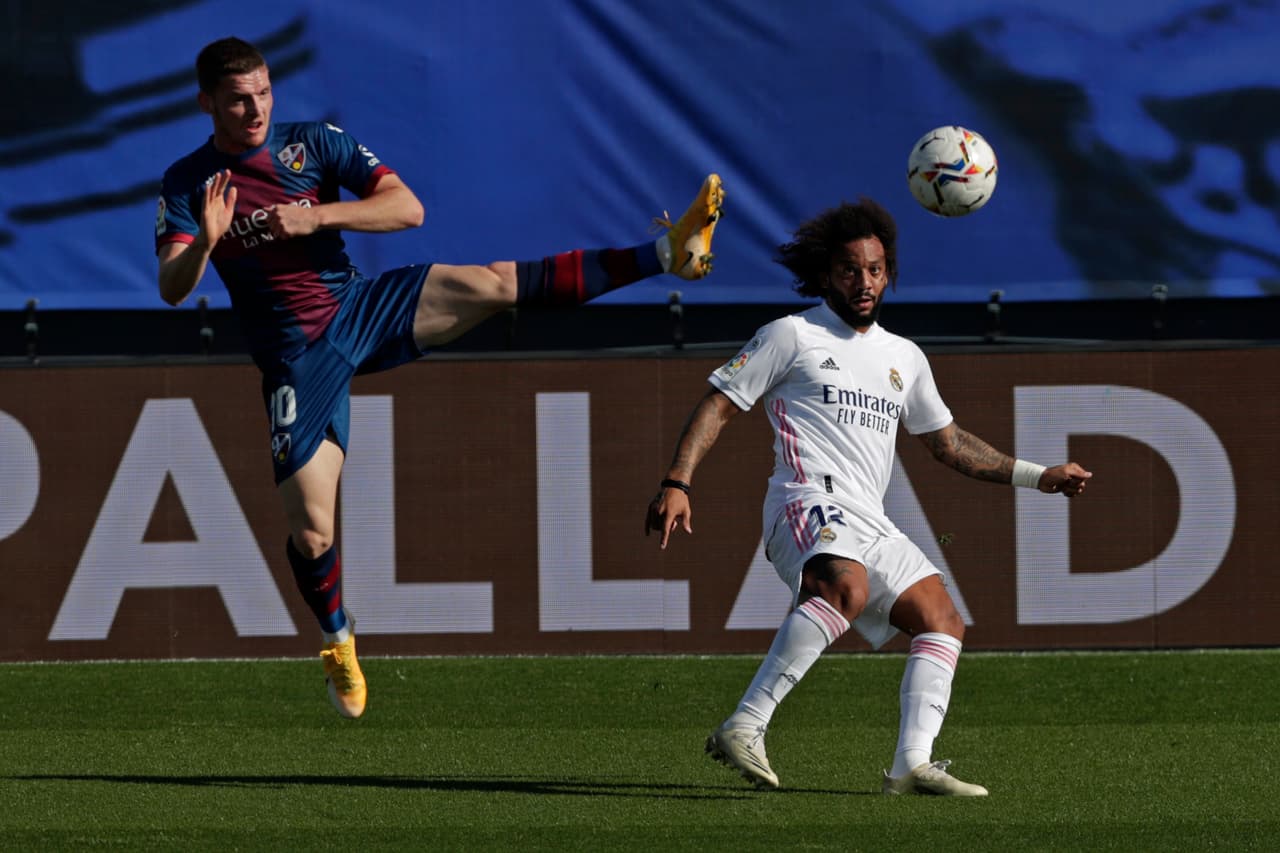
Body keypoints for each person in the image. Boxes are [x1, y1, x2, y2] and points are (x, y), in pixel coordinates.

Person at [156, 36, 725, 719]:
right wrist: (210, 241)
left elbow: (406, 208)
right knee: (310, 532)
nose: (255, 109)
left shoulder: (311, 144)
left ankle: (670, 250)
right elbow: (172, 286)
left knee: (493, 283)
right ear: (207, 104)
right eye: (239, 100)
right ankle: (337, 638)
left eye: (264, 92)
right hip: (296, 357)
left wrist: (319, 214)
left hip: (360, 306)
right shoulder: (190, 183)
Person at [644, 198, 1091, 796]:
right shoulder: (791, 335)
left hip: (869, 518)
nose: (864, 282)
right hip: (803, 501)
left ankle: (910, 765)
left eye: (875, 269)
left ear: (889, 274)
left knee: (942, 621)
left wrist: (1040, 476)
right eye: (851, 269)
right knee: (845, 589)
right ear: (828, 274)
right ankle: (745, 725)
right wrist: (678, 481)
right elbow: (719, 405)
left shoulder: (903, 357)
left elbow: (950, 444)